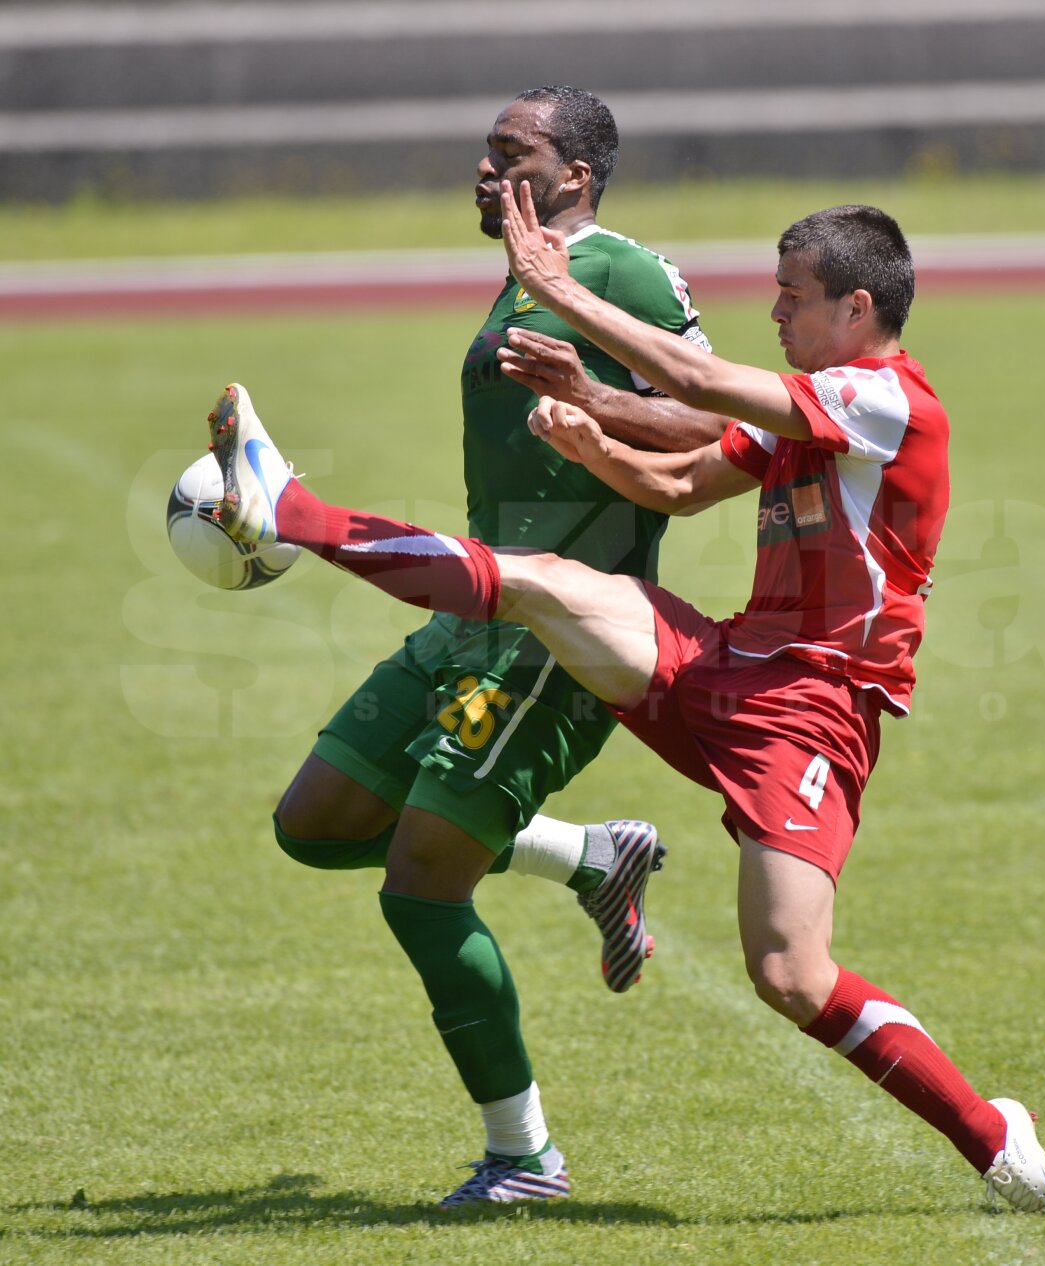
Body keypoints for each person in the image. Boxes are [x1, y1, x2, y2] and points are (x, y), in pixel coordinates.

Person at [202, 182, 1045, 1216]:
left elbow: (693, 375)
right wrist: (597, 442)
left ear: (855, 310)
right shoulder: (816, 405)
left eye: (792, 296)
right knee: (534, 581)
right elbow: (680, 482)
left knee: (790, 974)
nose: (775, 312)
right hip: (726, 666)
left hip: (813, 713)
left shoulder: (886, 402)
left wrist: (556, 293)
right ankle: (293, 509)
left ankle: (994, 1137)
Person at [257, 87, 727, 1207]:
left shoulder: (620, 273)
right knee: (316, 827)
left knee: (420, 886)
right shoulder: (528, 272)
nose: (482, 166)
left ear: (577, 174)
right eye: (485, 149)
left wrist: (600, 412)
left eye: (510, 153)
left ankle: (525, 1160)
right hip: (473, 614)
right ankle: (589, 857)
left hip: (557, 635)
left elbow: (724, 424)